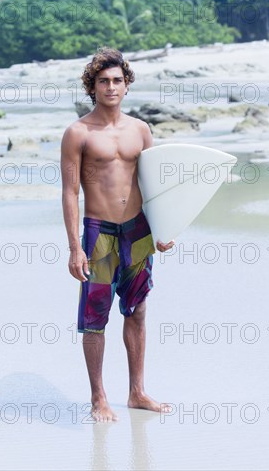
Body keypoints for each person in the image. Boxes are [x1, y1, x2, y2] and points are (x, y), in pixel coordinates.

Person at [60, 48, 174, 422]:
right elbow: (69, 191)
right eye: (103, 81)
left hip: (138, 230)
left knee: (138, 310)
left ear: (126, 86)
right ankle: (98, 398)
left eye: (117, 81)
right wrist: (75, 247)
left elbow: (154, 183)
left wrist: (164, 228)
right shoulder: (78, 132)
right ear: (92, 87)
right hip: (99, 233)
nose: (111, 87)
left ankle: (137, 392)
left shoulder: (140, 130)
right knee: (95, 318)